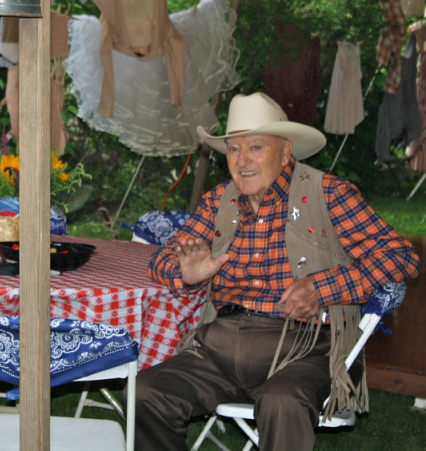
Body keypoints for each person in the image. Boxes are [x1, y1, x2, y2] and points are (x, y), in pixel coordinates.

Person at [134, 92, 420, 450]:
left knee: (283, 402)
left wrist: (322, 288)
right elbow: (161, 260)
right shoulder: (218, 201)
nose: (242, 160)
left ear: (286, 152)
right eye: (233, 149)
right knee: (147, 391)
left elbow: (400, 256)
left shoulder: (329, 194)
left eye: (256, 147)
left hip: (305, 349)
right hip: (219, 349)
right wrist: (187, 274)